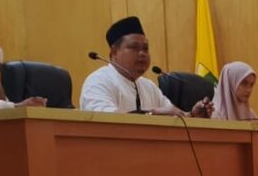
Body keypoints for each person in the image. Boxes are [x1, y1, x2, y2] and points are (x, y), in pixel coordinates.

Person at [80, 16, 213, 117]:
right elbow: (106, 122)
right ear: (114, 53)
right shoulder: (98, 82)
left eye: (145, 48)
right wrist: (152, 114)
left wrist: (191, 115)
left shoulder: (148, 86)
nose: (142, 53)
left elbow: (172, 116)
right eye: (134, 47)